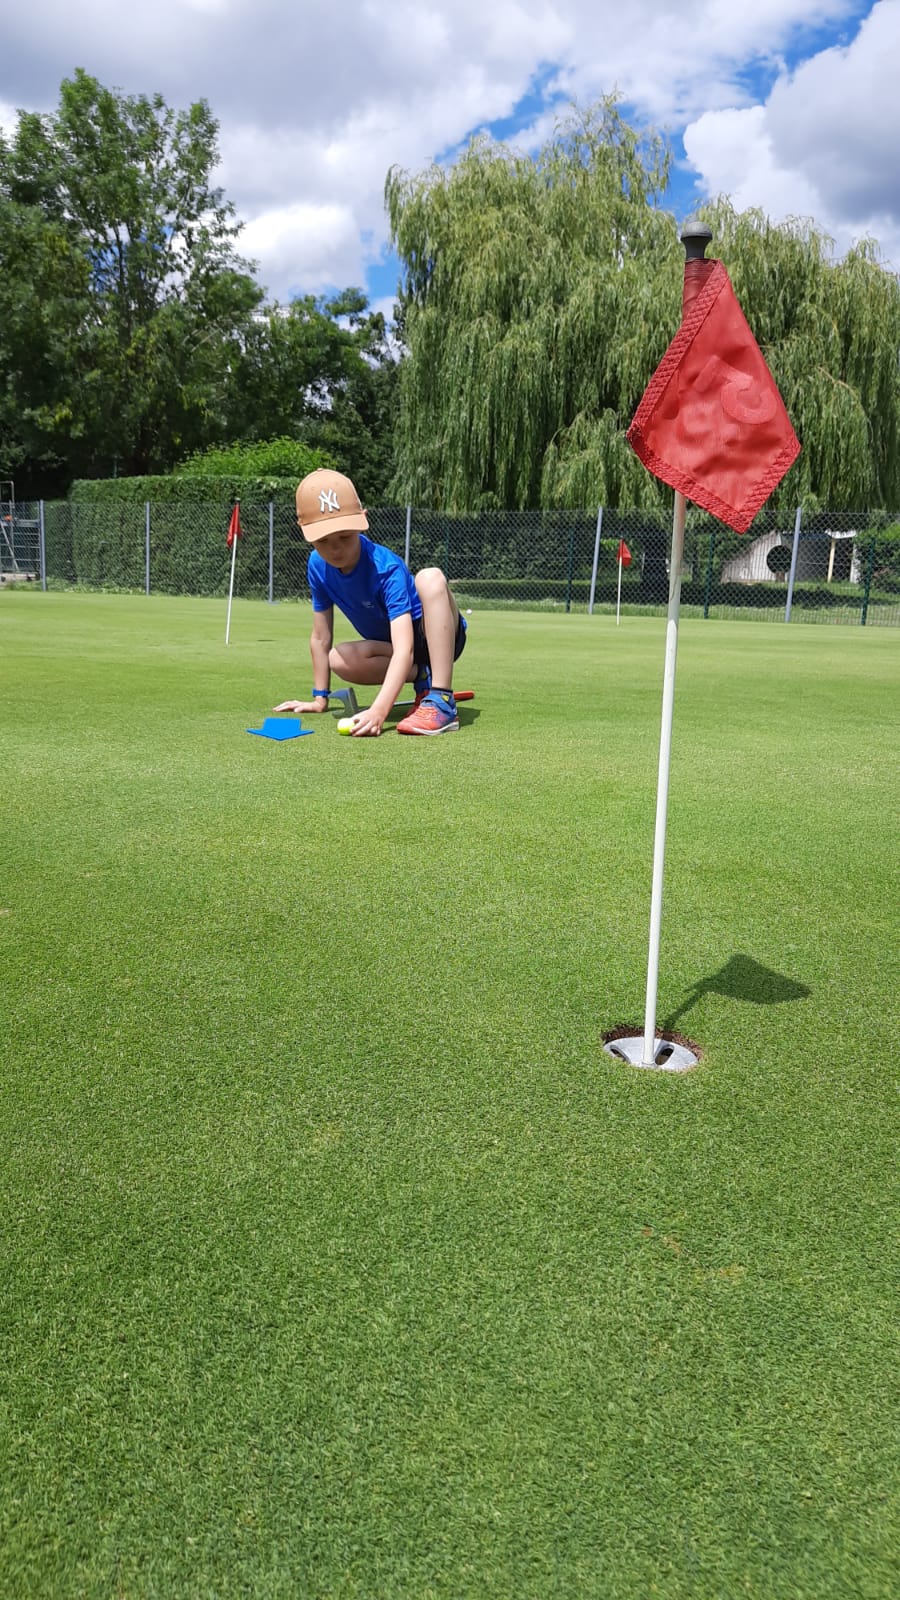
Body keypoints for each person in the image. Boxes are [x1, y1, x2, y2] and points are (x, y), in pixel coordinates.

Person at [274, 468, 467, 737]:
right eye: (323, 540)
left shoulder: (385, 567)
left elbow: (405, 649)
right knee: (338, 659)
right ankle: (423, 675)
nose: (335, 548)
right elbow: (320, 636)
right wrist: (320, 699)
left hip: (435, 637)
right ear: (304, 532)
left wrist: (378, 711)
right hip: (391, 648)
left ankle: (442, 699)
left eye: (344, 537)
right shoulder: (317, 566)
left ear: (362, 520)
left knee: (430, 578)